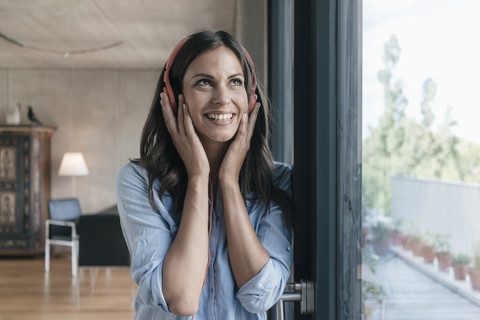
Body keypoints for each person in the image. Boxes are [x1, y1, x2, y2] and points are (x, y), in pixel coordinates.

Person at [116, 30, 292, 320]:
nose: (222, 98)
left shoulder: (278, 182)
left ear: (250, 98)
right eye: (205, 83)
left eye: (235, 82)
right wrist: (199, 176)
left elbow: (259, 295)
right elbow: (182, 299)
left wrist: (228, 183)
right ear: (173, 97)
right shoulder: (138, 181)